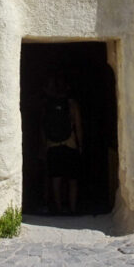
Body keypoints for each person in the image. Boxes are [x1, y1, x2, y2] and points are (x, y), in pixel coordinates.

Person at [41, 77, 83, 214]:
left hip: (52, 145)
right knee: (72, 180)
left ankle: (58, 209)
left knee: (56, 179)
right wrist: (80, 145)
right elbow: (78, 126)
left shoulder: (47, 105)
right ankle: (73, 209)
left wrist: (43, 146)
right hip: (70, 144)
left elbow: (42, 128)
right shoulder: (72, 105)